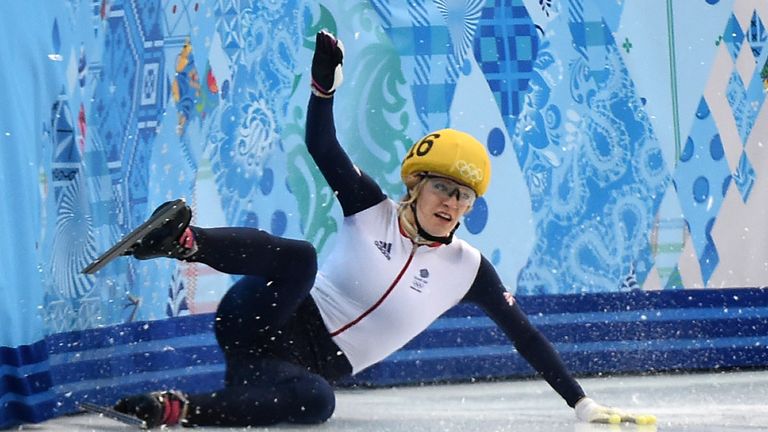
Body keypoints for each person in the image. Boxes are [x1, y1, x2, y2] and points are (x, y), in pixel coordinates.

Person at [112, 31, 655, 428]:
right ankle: (185, 242)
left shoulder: (467, 269)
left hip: (288, 367)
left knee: (319, 402)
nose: (451, 202)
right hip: (263, 315)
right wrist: (323, 89)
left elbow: (527, 338)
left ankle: (175, 409)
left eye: (462, 196)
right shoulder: (371, 208)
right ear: (416, 187)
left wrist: (580, 403)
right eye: (442, 188)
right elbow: (323, 146)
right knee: (301, 257)